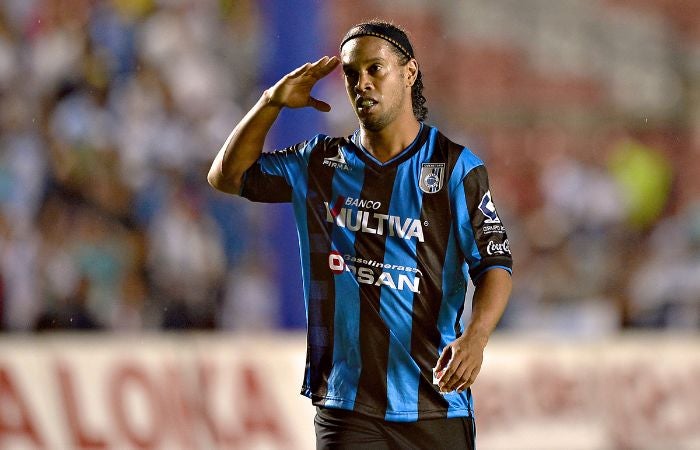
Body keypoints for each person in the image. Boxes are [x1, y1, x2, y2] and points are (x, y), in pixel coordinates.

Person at [208, 19, 512, 450]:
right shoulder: (320, 164)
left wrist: (476, 338)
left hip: (435, 402)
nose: (361, 83)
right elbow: (226, 176)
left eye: (375, 69)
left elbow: (495, 263)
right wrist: (270, 102)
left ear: (409, 73)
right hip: (345, 407)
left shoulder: (455, 168)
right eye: (351, 74)